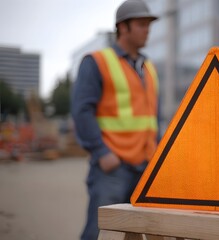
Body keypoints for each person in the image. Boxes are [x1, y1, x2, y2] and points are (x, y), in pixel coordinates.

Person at [71, 1, 159, 239]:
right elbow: (81, 111)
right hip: (113, 167)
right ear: (123, 27)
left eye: (148, 25)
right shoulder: (96, 62)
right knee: (97, 233)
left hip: (146, 165)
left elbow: (152, 118)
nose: (147, 30)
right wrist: (101, 152)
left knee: (140, 232)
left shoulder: (148, 67)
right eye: (141, 24)